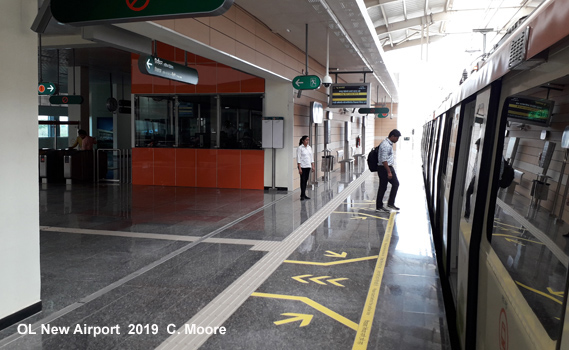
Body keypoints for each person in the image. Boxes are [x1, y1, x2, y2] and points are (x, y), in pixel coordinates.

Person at [376, 129, 401, 212]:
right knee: (393, 184)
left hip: (386, 167)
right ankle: (382, 205)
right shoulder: (386, 145)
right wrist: (389, 172)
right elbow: (384, 160)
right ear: (392, 136)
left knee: (384, 186)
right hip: (385, 168)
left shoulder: (388, 143)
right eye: (397, 138)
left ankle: (385, 205)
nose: (397, 140)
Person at [464, 138, 480, 219]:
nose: (476, 148)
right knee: (469, 193)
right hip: (475, 177)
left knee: (468, 192)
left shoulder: (482, 154)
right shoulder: (479, 153)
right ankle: (468, 211)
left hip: (477, 177)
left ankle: (468, 212)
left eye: (477, 146)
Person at [297, 135, 315, 200]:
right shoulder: (300, 148)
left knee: (306, 180)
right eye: (306, 140)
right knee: (303, 180)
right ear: (303, 141)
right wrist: (299, 168)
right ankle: (302, 195)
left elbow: (311, 157)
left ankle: (304, 194)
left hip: (308, 166)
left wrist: (313, 166)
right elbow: (298, 158)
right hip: (302, 166)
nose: (307, 141)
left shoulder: (309, 147)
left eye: (308, 140)